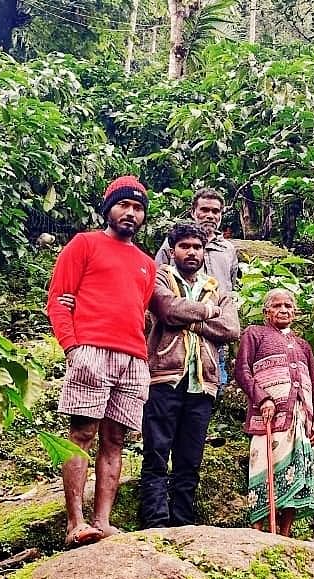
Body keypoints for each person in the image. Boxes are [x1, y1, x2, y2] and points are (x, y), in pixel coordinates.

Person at [46, 176, 158, 545]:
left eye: (138, 208)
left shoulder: (146, 263)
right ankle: (75, 522)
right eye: (124, 205)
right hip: (91, 351)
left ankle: (103, 521)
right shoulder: (85, 244)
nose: (130, 213)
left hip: (133, 358)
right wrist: (73, 347)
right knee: (82, 435)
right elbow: (58, 298)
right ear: (109, 207)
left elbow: (138, 312)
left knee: (115, 440)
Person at [140, 221, 241, 528]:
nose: (192, 252)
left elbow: (231, 329)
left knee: (190, 458)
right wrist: (207, 313)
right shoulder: (159, 278)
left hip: (203, 383)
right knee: (156, 453)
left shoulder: (216, 289)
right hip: (164, 378)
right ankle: (155, 522)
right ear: (172, 251)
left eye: (197, 247)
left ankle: (183, 522)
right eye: (185, 246)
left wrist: (192, 320)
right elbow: (167, 309)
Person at [234, 289, 314, 536]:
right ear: (266, 312)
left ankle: (285, 532)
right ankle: (259, 530)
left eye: (288, 306)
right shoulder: (255, 334)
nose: (283, 310)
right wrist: (262, 398)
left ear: (294, 312)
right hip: (268, 417)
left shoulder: (303, 345)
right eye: (277, 306)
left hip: (300, 418)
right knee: (264, 467)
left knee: (297, 469)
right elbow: (242, 371)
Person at [154, 188, 239, 293]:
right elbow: (157, 278)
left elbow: (231, 284)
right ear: (193, 212)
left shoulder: (228, 249)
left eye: (215, 211)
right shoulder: (174, 242)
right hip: (181, 307)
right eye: (204, 210)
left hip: (221, 308)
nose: (210, 216)